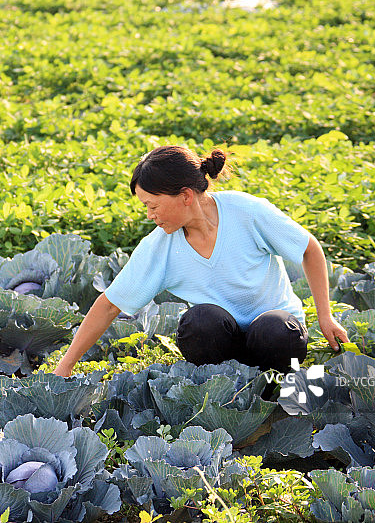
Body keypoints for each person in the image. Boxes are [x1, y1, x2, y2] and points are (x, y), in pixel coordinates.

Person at [53, 145, 348, 377]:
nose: (149, 215)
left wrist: (325, 315)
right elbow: (109, 304)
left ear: (184, 196)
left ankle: (274, 392)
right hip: (222, 344)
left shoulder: (247, 212)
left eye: (152, 205)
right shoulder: (160, 245)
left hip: (276, 339)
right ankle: (225, 392)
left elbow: (309, 248)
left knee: (274, 329)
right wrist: (65, 365)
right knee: (199, 321)